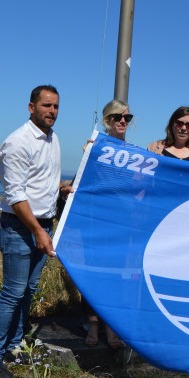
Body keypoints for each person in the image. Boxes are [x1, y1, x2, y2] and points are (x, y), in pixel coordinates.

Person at [0, 85, 72, 378]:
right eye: (47, 105)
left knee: (29, 291)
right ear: (31, 107)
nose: (52, 111)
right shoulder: (17, 143)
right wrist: (37, 231)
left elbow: (41, 180)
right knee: (12, 292)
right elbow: (17, 196)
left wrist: (61, 188)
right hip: (21, 228)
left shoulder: (53, 138)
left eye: (56, 106)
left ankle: (13, 347)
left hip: (42, 225)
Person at [81, 98, 133, 348]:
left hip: (121, 224)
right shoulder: (95, 147)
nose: (122, 121)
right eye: (117, 117)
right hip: (96, 222)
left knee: (116, 277)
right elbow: (83, 181)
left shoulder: (134, 152)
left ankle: (112, 326)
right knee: (92, 274)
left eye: (126, 118)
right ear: (107, 121)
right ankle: (93, 326)